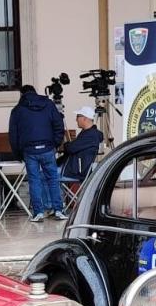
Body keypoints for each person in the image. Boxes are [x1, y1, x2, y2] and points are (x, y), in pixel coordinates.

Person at [8, 84, 66, 222]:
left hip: (29, 151)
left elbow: (13, 135)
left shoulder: (17, 110)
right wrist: (55, 144)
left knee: (34, 181)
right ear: (35, 92)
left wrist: (18, 154)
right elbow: (59, 125)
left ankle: (38, 213)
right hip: (47, 148)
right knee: (53, 179)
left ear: (22, 95)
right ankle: (58, 210)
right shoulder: (48, 104)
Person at [60, 106, 103, 181]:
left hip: (76, 172)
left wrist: (67, 144)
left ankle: (57, 193)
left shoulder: (91, 135)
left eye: (78, 116)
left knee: (43, 175)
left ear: (85, 118)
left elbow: (71, 148)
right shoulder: (87, 133)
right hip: (74, 169)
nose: (76, 119)